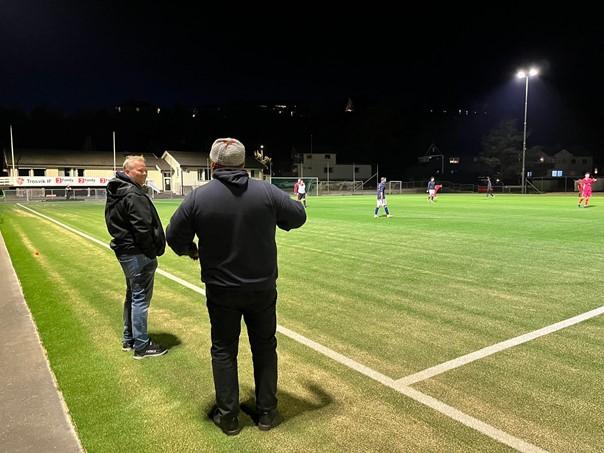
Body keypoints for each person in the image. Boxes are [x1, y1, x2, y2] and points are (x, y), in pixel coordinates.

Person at [166, 138, 306, 436]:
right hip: (261, 288)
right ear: (243, 164)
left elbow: (173, 235)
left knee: (224, 350)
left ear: (213, 164)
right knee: (265, 348)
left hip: (221, 290)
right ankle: (267, 412)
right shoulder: (266, 191)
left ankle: (228, 418)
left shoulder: (199, 197)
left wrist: (192, 250)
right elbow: (298, 216)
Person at [105, 155, 167, 359]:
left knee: (132, 295)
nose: (145, 172)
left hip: (126, 251)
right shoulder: (133, 194)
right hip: (137, 254)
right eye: (141, 170)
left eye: (145, 169)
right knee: (140, 298)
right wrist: (152, 251)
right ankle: (142, 346)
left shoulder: (116, 190)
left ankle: (129, 338)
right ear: (128, 171)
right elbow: (143, 229)